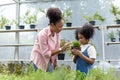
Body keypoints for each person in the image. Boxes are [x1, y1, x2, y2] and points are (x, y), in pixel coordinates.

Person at [30, 7, 71, 72]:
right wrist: (61, 49)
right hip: (39, 58)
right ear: (52, 25)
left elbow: (56, 48)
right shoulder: (42, 34)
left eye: (62, 26)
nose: (61, 29)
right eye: (59, 26)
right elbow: (46, 53)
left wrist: (55, 62)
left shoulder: (57, 34)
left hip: (48, 59)